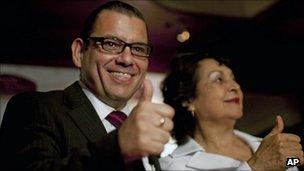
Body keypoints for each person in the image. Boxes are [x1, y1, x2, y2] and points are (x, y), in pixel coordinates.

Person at [0, 1, 174, 171]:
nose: (127, 59)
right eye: (111, 44)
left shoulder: (142, 128)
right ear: (79, 52)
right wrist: (118, 146)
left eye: (138, 49)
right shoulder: (35, 108)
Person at [159, 52, 303, 170]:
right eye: (218, 79)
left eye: (233, 78)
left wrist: (294, 160)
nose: (234, 86)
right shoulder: (172, 166)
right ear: (188, 99)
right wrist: (256, 167)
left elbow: (291, 164)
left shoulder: (265, 144)